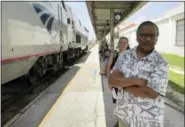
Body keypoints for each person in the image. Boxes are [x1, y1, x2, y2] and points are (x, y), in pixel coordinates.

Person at [109, 21, 169, 127]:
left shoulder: (161, 62)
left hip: (148, 121)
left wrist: (123, 85)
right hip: (124, 116)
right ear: (137, 37)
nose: (148, 39)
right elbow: (112, 80)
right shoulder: (124, 56)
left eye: (152, 36)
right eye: (143, 35)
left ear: (157, 38)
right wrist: (136, 81)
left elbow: (151, 93)